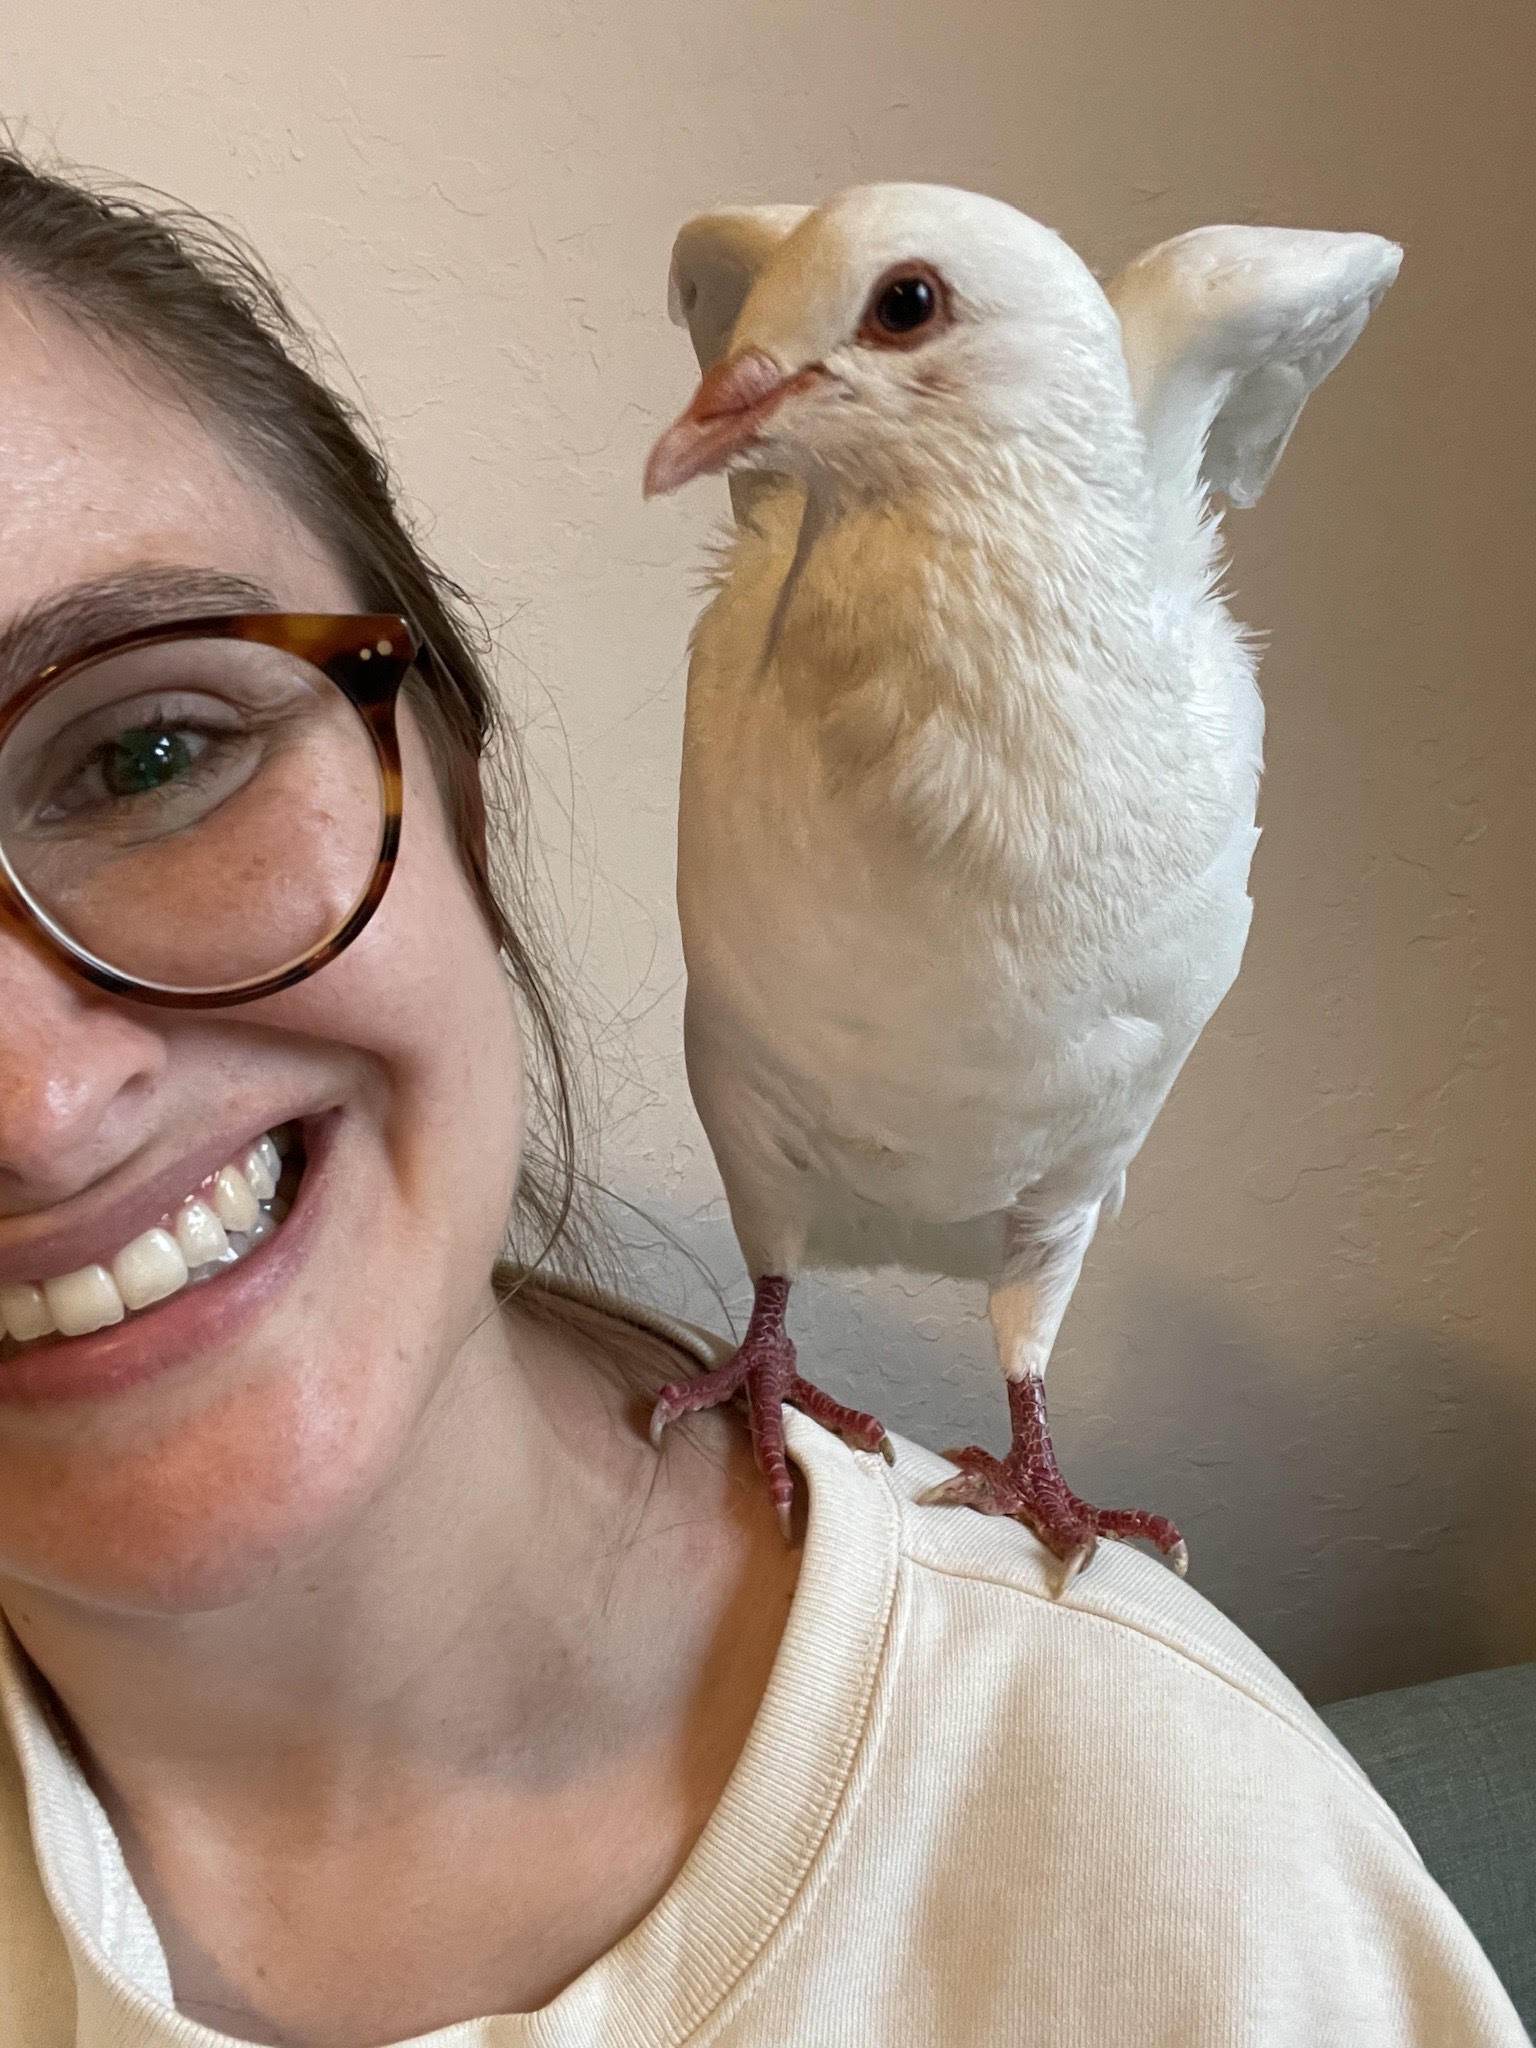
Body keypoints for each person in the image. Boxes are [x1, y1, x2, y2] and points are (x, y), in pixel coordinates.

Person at [0, 144, 1522, 2048]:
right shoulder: (774, 664)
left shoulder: (1186, 1880)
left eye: (149, 752)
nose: (37, 1109)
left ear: (462, 782)